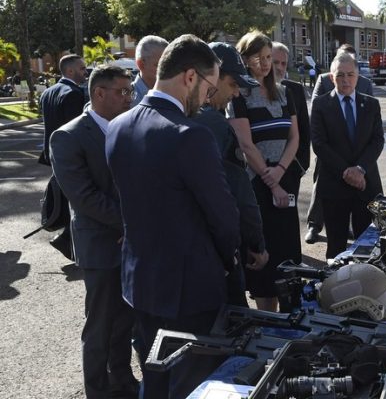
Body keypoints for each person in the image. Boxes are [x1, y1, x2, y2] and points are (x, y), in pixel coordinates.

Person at [105, 34, 241, 398]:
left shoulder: (117, 127)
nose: (209, 99)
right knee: (192, 387)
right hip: (190, 291)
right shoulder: (191, 135)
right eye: (209, 89)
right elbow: (223, 217)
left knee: (154, 380)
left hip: (140, 284)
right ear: (191, 76)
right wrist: (228, 261)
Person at [49, 65, 138, 399]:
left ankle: (123, 380)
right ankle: (97, 391)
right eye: (123, 91)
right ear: (99, 93)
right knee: (100, 324)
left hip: (129, 242)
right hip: (100, 244)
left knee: (125, 320)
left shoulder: (128, 128)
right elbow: (84, 197)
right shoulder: (68, 136)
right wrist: (129, 224)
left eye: (130, 91)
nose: (130, 98)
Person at [228, 31, 302, 312]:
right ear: (245, 59)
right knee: (265, 262)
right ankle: (267, 321)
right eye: (258, 57)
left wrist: (280, 171)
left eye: (269, 57)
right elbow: (246, 143)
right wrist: (271, 182)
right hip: (258, 187)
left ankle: (291, 321)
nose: (265, 63)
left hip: (284, 181)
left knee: (288, 258)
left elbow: (294, 137)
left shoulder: (284, 93)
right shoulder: (238, 96)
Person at [194, 42, 269, 306]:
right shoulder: (216, 124)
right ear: (212, 77)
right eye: (232, 84)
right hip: (216, 254)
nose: (236, 93)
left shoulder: (173, 115)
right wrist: (256, 244)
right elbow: (239, 194)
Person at [311, 52, 384, 259]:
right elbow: (319, 144)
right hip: (334, 186)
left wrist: (360, 169)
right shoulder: (321, 105)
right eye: (340, 75)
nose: (345, 80)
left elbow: (377, 141)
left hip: (365, 185)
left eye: (350, 75)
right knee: (336, 248)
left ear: (358, 76)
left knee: (367, 247)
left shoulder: (371, 104)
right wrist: (347, 172)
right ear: (331, 77)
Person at [39, 53, 88, 260]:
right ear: (70, 70)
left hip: (52, 153)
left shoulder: (48, 92)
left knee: (67, 197)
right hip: (70, 155)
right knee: (76, 200)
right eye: (82, 68)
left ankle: (68, 241)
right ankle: (67, 240)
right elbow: (75, 129)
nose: (85, 72)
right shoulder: (73, 93)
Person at [272, 42, 311, 177]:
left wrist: (301, 165)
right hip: (263, 170)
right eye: (275, 62)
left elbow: (304, 131)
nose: (279, 67)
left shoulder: (295, 90)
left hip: (292, 169)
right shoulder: (252, 93)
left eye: (283, 63)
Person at [132, 35, 168, 107]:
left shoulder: (174, 94)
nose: (167, 69)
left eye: (170, 64)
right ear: (141, 64)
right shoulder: (126, 99)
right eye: (161, 65)